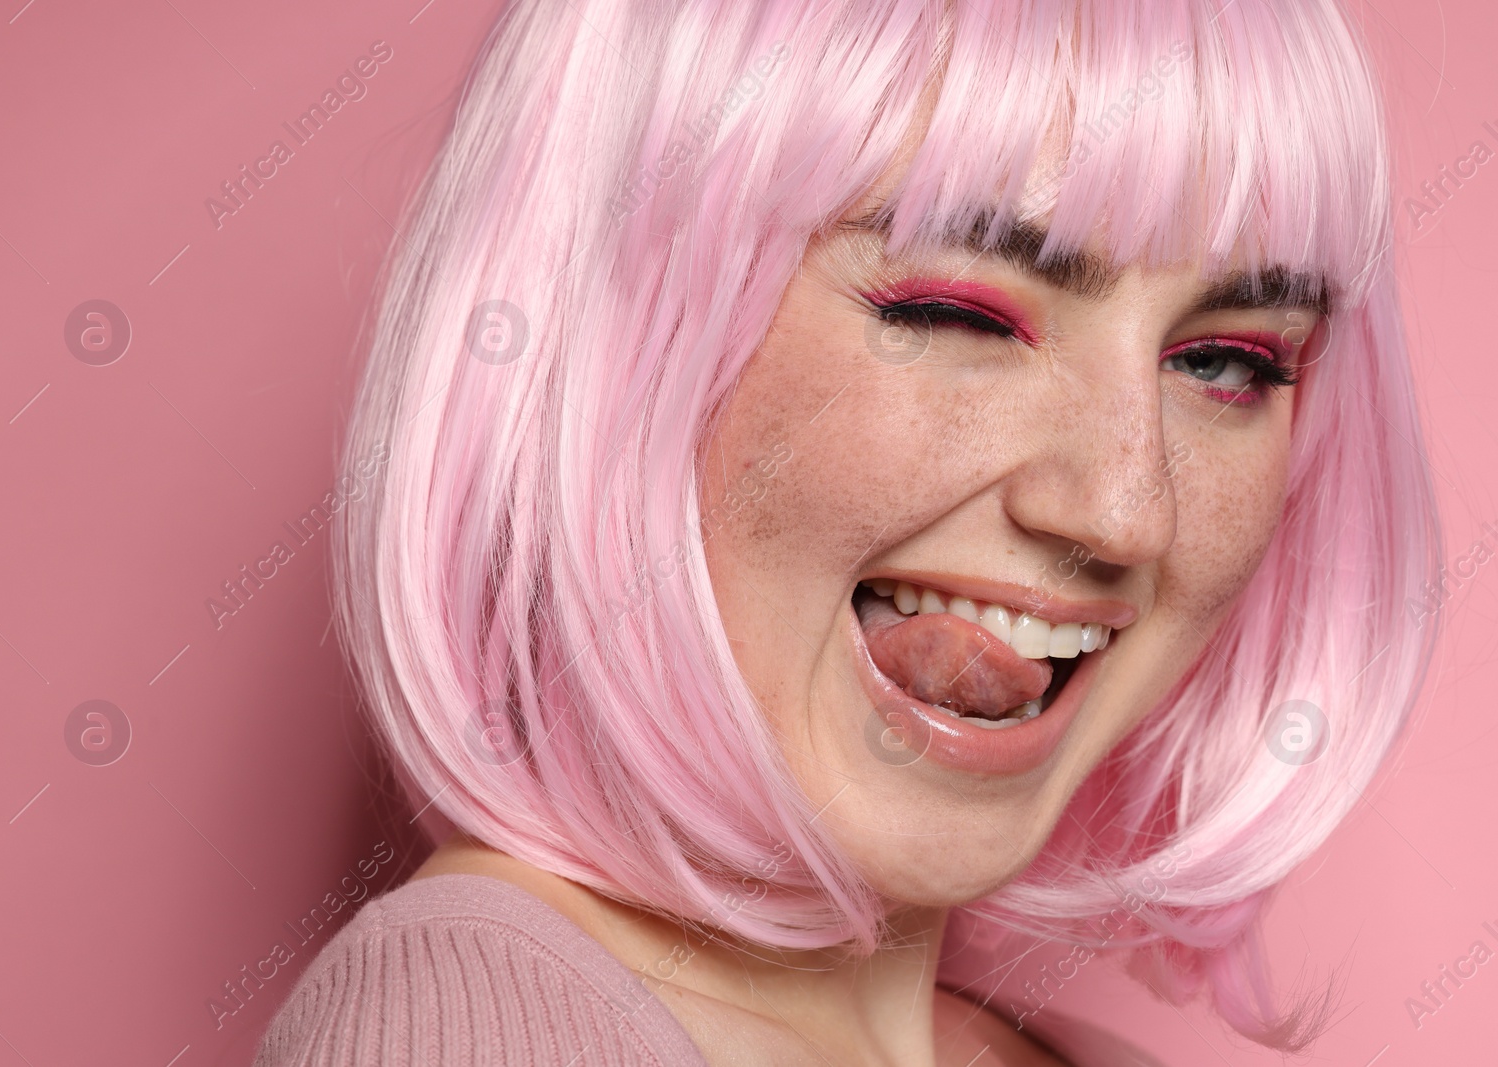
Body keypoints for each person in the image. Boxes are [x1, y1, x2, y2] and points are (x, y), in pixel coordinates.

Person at [255, 0, 1437, 1062]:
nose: (1124, 508)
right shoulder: (467, 1031)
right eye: (953, 311)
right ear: (612, 347)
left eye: (1226, 359)